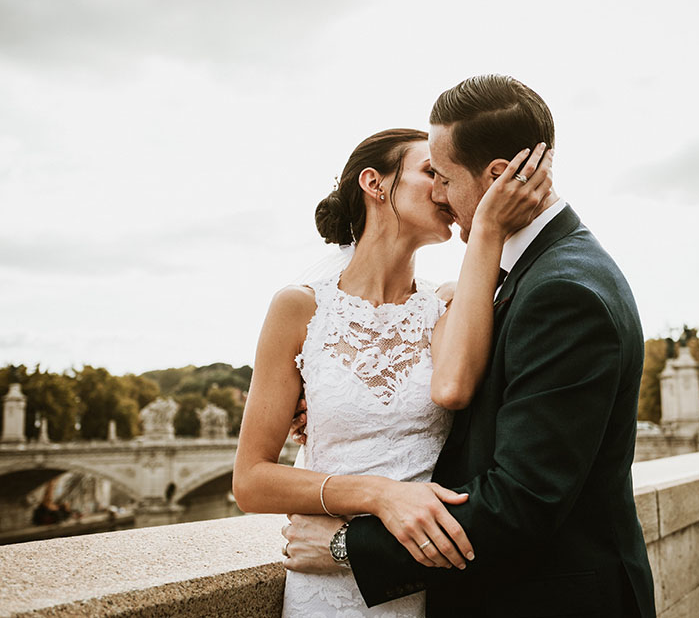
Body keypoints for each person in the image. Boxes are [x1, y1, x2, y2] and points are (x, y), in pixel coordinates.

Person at [282, 75, 657, 617]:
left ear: (499, 176)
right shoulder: (532, 273)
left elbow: (524, 501)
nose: (438, 193)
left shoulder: (562, 291)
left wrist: (348, 548)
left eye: (445, 177)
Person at [231, 126, 554, 617]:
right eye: (431, 172)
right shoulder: (297, 310)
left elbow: (453, 388)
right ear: (374, 184)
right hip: (326, 594)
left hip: (430, 584)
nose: (445, 189)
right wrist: (380, 495)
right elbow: (251, 480)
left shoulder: (446, 304)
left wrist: (486, 228)